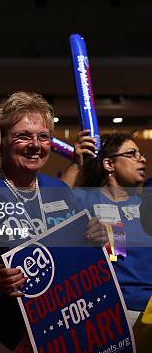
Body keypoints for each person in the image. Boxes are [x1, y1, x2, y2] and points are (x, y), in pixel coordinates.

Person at [0, 92, 105, 352]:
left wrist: (92, 239)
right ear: (1, 143)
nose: (35, 144)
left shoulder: (59, 190)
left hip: (54, 325)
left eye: (43, 137)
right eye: (23, 135)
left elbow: (72, 254)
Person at [69, 132, 151, 332]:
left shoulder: (146, 206)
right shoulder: (85, 199)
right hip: (108, 310)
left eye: (141, 154)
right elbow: (51, 205)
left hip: (149, 312)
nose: (142, 159)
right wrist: (76, 164)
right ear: (109, 164)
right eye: (132, 153)